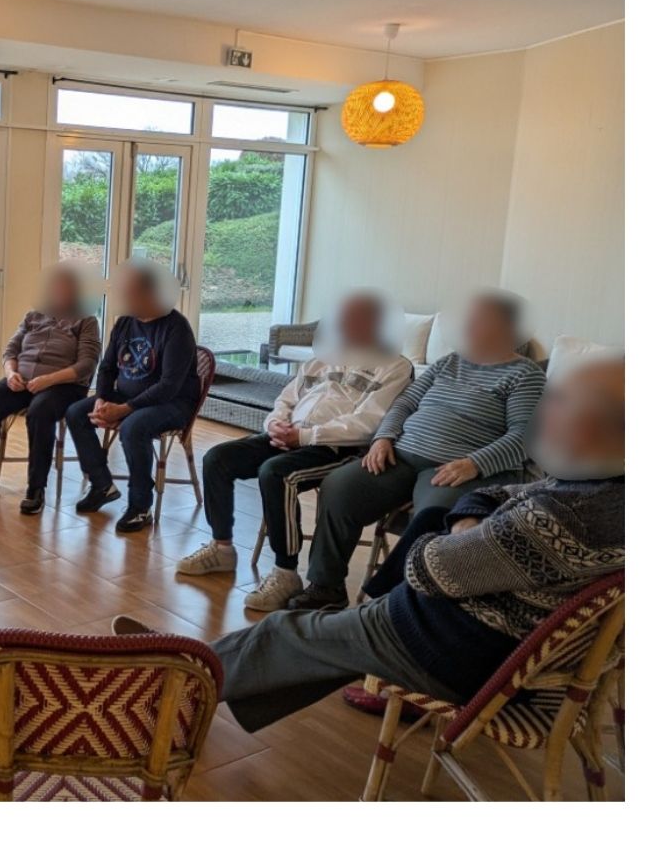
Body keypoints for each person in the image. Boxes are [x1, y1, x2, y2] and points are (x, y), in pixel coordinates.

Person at [114, 357, 623, 736]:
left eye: (559, 399)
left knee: (290, 630)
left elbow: (429, 570)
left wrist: (461, 526)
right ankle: (185, 670)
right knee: (409, 542)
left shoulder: (561, 516)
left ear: (598, 421)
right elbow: (511, 491)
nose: (544, 411)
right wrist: (470, 516)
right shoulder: (608, 492)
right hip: (492, 635)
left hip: (457, 648)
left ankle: (164, 682)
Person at [288, 290, 545, 612]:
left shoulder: (525, 375)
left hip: (456, 467)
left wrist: (474, 464)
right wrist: (383, 438)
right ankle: (326, 587)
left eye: (478, 321)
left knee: (431, 516)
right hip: (401, 454)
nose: (467, 326)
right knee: (339, 487)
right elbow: (406, 402)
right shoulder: (450, 362)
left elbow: (524, 436)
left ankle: (392, 604)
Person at [177, 292, 412, 613]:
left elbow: (368, 423)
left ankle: (285, 572)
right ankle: (222, 547)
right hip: (290, 435)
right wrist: (275, 424)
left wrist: (303, 436)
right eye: (342, 316)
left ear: (375, 323)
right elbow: (286, 398)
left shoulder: (394, 367)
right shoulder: (323, 358)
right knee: (218, 458)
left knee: (276, 473)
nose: (342, 323)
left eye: (352, 318)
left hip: (338, 448)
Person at [65, 259, 201, 534]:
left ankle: (140, 506)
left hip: (172, 403)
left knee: (133, 426)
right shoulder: (125, 322)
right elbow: (107, 367)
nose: (122, 298)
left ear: (148, 293)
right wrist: (103, 399)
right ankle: (102, 485)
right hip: (127, 397)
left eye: (127, 292)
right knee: (77, 412)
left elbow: (168, 386)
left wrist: (125, 409)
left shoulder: (177, 328)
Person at [0, 265, 101, 515]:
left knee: (40, 411)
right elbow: (10, 351)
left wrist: (50, 379)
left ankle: (36, 488)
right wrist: (11, 373)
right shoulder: (33, 316)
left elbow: (86, 364)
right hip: (23, 380)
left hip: (64, 386)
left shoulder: (86, 320)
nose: (58, 292)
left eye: (64, 288)